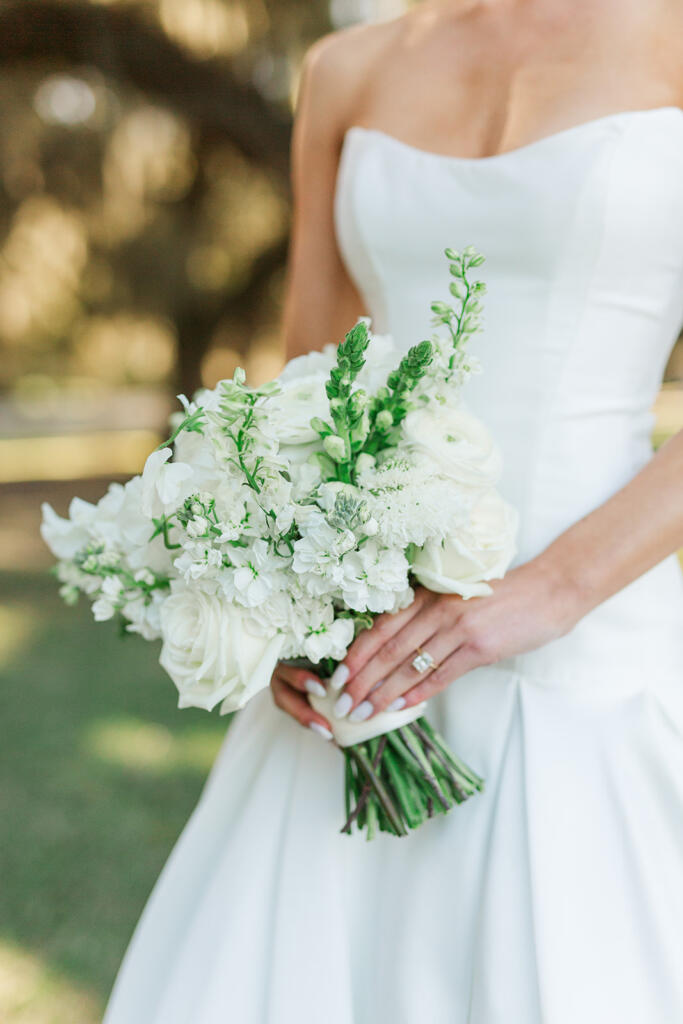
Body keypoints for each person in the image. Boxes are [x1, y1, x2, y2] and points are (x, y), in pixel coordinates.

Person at [104, 2, 683, 1021]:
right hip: (360, 667)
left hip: (592, 646)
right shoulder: (344, 68)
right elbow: (307, 377)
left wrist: (550, 590)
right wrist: (281, 599)